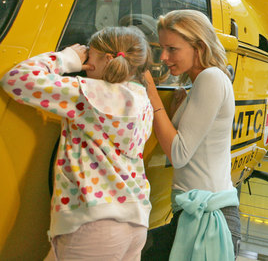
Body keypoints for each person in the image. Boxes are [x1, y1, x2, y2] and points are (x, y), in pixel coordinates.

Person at [0, 26, 154, 260]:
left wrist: (67, 59)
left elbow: (16, 79)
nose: (86, 64)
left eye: (89, 57)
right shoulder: (143, 99)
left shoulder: (86, 94)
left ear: (109, 59)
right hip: (135, 221)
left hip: (93, 220)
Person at [141, 9, 240, 260]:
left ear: (199, 46)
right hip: (195, 214)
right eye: (162, 48)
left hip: (208, 218)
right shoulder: (202, 82)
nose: (163, 57)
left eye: (172, 49)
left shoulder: (211, 78)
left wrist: (152, 95)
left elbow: (179, 154)